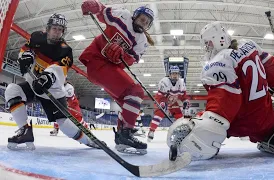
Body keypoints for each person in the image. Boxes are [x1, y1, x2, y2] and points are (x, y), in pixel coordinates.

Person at [166, 22, 274, 160]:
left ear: (219, 40)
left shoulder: (218, 62)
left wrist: (206, 127)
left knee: (204, 121)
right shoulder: (250, 45)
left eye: (208, 43)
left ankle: (205, 143)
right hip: (267, 120)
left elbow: (226, 103)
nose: (207, 48)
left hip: (244, 121)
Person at [5, 13, 100, 150]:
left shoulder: (65, 50)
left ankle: (88, 141)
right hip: (33, 85)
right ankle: (25, 131)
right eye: (54, 28)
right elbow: (26, 49)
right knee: (12, 90)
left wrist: (48, 77)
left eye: (60, 29)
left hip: (52, 91)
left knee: (64, 123)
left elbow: (59, 69)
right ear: (48, 28)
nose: (57, 32)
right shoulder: (37, 37)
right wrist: (25, 56)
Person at [79, 0, 154, 155]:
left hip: (110, 68)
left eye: (146, 22)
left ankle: (122, 136)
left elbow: (131, 60)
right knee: (136, 92)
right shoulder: (123, 16)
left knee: (129, 103)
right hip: (96, 60)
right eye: (142, 18)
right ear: (135, 16)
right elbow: (103, 12)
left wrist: (122, 55)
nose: (143, 22)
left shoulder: (142, 41)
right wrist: (95, 6)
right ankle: (126, 133)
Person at [147, 66, 190, 142]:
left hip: (173, 101)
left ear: (179, 74)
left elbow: (184, 96)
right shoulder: (164, 82)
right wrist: (162, 103)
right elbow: (160, 97)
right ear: (169, 74)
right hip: (163, 99)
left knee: (179, 116)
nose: (175, 75)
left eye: (176, 73)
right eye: (173, 73)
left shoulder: (181, 83)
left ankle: (182, 131)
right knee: (159, 113)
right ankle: (152, 131)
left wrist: (186, 101)